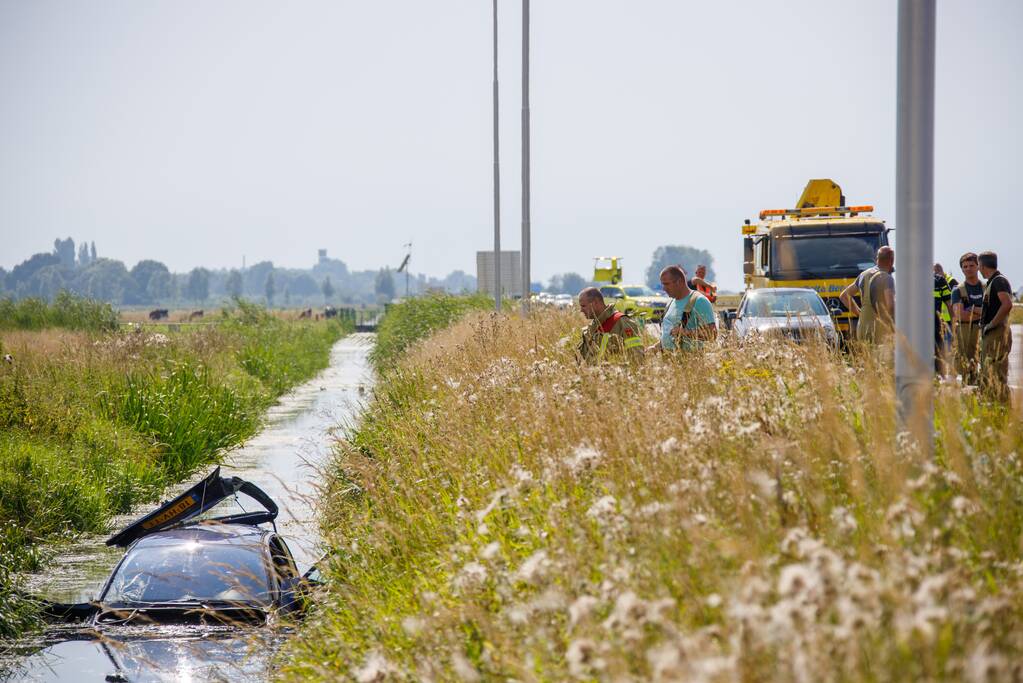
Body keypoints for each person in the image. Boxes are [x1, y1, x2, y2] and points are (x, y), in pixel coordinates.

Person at [840, 246, 895, 345]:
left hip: (862, 328)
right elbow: (890, 306)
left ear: (877, 259)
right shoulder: (887, 278)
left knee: (867, 359)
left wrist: (859, 314)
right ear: (891, 261)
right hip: (879, 330)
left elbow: (844, 296)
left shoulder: (863, 275)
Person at [978, 251, 1013, 402]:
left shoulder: (999, 281)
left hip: (996, 333)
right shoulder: (992, 282)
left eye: (978, 265)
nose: (978, 269)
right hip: (991, 334)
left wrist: (991, 324)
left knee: (996, 374)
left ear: (982, 265)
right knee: (988, 372)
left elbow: (1007, 304)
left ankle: (1002, 409)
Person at [654, 266, 716, 352]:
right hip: (668, 361)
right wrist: (655, 347)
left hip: (690, 362)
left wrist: (686, 332)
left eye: (667, 284)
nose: (664, 288)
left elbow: (712, 334)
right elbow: (669, 335)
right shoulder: (670, 302)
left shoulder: (699, 301)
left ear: (679, 282)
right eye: (663, 284)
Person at [576, 287, 644, 363]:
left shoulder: (622, 322)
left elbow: (637, 359)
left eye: (583, 306)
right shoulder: (590, 329)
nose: (581, 310)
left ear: (595, 303)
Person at [951, 252, 984, 384]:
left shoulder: (986, 288)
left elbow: (996, 310)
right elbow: (960, 315)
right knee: (967, 368)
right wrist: (983, 312)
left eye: (971, 265)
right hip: (966, 332)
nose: (968, 269)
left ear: (978, 266)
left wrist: (972, 309)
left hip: (984, 331)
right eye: (965, 266)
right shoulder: (958, 290)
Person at [933, 265, 953, 374]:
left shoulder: (939, 281)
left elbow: (950, 306)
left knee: (939, 361)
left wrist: (954, 327)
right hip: (917, 331)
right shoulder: (910, 280)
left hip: (937, 329)